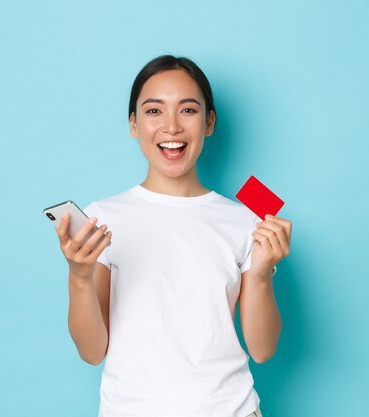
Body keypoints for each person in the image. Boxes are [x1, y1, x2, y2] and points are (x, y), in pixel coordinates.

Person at [55, 55, 292, 417]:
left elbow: (262, 349)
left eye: (188, 110)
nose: (171, 127)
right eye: (153, 111)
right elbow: (91, 352)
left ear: (209, 122)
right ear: (133, 124)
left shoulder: (244, 219)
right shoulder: (102, 218)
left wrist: (260, 275)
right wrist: (79, 277)